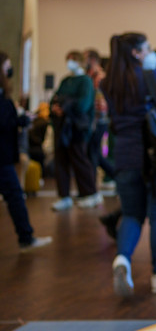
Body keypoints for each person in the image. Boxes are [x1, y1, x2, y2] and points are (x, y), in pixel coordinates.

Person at [100, 33, 156, 296]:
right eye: (147, 48)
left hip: (125, 157)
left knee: (131, 214)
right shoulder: (154, 77)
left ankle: (122, 258)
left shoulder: (108, 83)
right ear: (137, 53)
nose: (151, 52)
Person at [0, 52, 52, 252]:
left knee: (14, 196)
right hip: (2, 156)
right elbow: (4, 122)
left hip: (4, 154)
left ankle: (26, 236)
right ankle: (26, 238)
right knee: (15, 196)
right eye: (7, 65)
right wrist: (21, 120)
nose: (9, 69)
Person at [50, 50, 99, 211]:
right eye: (68, 59)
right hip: (63, 127)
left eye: (72, 59)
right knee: (61, 160)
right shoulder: (66, 80)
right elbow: (55, 99)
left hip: (78, 128)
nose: (69, 62)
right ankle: (64, 196)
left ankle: (90, 193)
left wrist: (65, 105)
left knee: (80, 160)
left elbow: (82, 105)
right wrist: (59, 106)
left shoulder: (85, 81)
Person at [83, 48, 115, 186]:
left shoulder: (99, 76)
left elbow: (101, 101)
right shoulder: (90, 75)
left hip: (99, 119)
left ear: (93, 59)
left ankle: (96, 181)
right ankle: (109, 175)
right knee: (93, 150)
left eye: (85, 58)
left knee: (93, 150)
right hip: (94, 119)